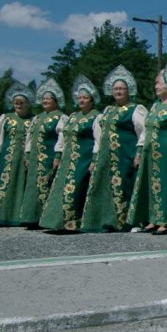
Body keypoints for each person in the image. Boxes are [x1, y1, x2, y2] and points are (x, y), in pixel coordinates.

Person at [82, 65, 148, 233]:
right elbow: (98, 136)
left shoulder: (136, 109)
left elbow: (143, 132)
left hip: (125, 155)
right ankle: (104, 220)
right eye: (116, 88)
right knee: (105, 188)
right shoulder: (107, 111)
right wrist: (95, 158)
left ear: (128, 91)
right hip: (105, 156)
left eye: (122, 88)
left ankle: (127, 222)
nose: (118, 91)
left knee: (124, 187)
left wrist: (139, 153)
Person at [39, 75, 101, 232]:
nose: (81, 101)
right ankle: (55, 221)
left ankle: (73, 222)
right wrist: (59, 155)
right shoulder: (73, 116)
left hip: (84, 159)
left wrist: (94, 159)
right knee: (60, 188)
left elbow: (98, 140)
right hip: (68, 158)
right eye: (79, 98)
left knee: (74, 189)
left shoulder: (97, 117)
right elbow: (63, 137)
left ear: (92, 100)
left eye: (85, 98)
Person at [127, 63, 167, 235]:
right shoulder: (155, 106)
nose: (156, 86)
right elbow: (145, 129)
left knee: (164, 184)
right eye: (156, 83)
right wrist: (139, 151)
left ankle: (165, 220)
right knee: (152, 185)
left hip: (165, 151)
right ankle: (153, 219)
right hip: (150, 152)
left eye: (159, 83)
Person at [0, 82, 34, 226]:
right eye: (16, 103)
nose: (18, 106)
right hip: (8, 156)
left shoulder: (32, 119)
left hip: (23, 156)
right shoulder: (6, 118)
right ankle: (0, 214)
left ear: (27, 104)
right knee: (4, 182)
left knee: (21, 183)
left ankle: (18, 216)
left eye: (22, 103)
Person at [19, 78, 66, 227]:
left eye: (48, 99)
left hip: (49, 157)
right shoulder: (37, 118)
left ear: (55, 101)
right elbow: (29, 137)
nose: (45, 101)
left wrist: (58, 155)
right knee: (32, 186)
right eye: (44, 99)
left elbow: (62, 138)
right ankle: (30, 216)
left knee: (47, 185)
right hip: (34, 158)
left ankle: (45, 217)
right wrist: (27, 154)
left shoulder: (61, 117)